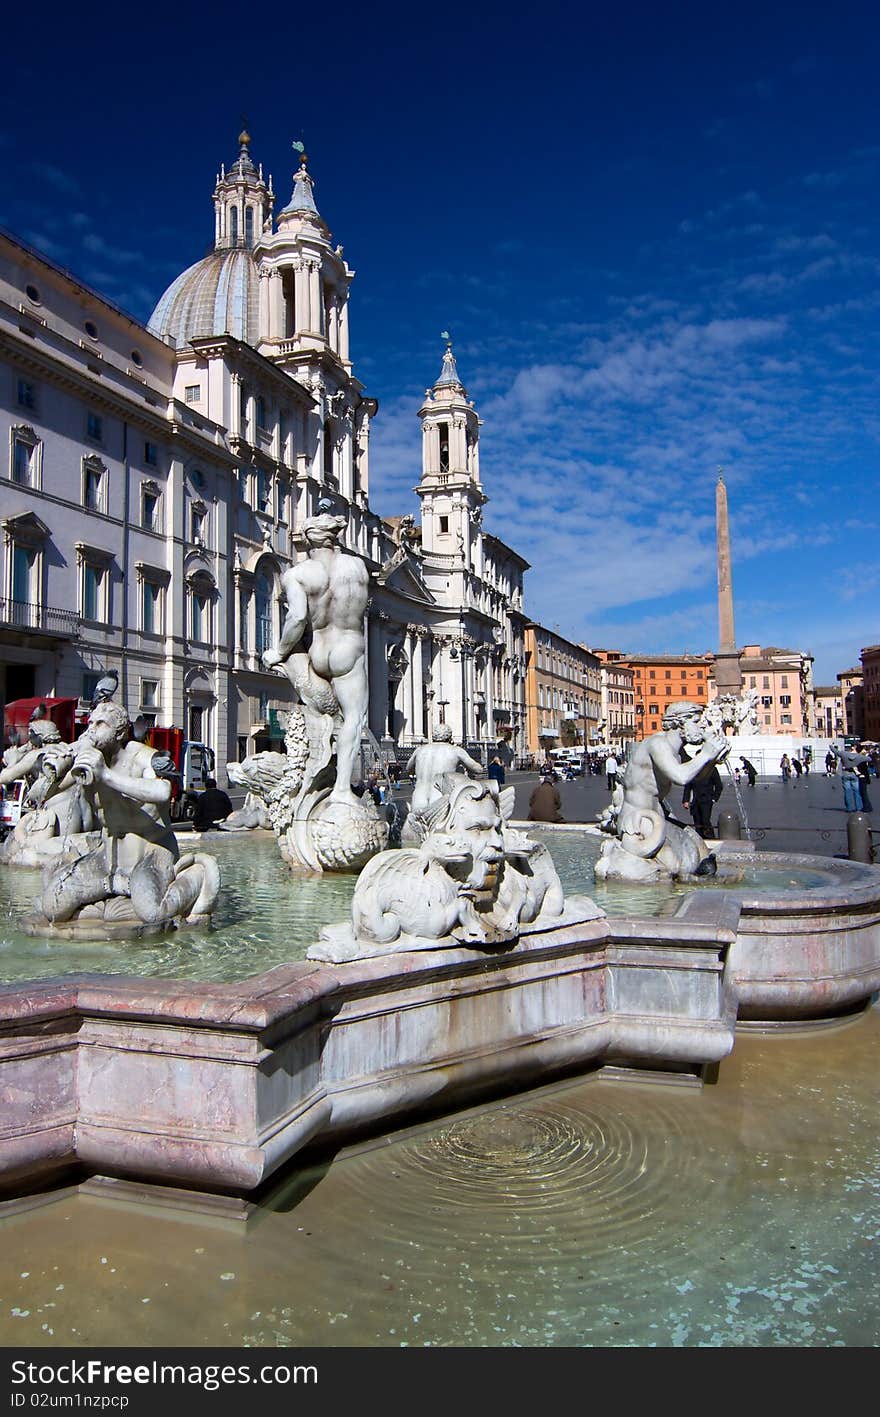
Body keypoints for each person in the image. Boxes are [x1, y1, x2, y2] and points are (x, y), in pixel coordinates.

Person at [262, 505, 369, 807]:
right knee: (353, 719)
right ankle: (341, 789)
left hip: (318, 652)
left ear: (308, 540)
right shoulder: (357, 567)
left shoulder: (298, 574)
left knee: (319, 713)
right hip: (349, 648)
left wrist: (279, 652)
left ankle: (312, 773)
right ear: (334, 537)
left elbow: (296, 618)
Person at [595, 701, 729, 880]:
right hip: (637, 818)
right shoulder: (657, 744)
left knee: (697, 844)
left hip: (658, 814)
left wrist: (712, 760)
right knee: (675, 864)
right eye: (696, 721)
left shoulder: (676, 750)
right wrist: (705, 754)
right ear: (679, 723)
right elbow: (681, 776)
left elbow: (697, 778)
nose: (702, 725)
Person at [405, 723, 484, 816]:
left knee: (418, 828)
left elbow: (408, 769)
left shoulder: (420, 750)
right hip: (440, 800)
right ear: (450, 737)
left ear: (433, 736)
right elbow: (478, 769)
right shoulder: (456, 750)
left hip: (418, 799)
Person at [682, 765, 724, 840]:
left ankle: (710, 838)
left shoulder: (711, 770)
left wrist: (714, 798)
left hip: (707, 800)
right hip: (695, 800)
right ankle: (699, 839)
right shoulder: (693, 770)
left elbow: (719, 785)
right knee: (697, 821)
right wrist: (686, 800)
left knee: (705, 820)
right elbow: (687, 787)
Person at [838, 746, 866, 814]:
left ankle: (849, 808)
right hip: (854, 775)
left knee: (847, 791)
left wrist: (841, 775)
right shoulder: (854, 756)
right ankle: (858, 808)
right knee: (856, 791)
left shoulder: (843, 757)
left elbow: (840, 767)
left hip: (845, 774)